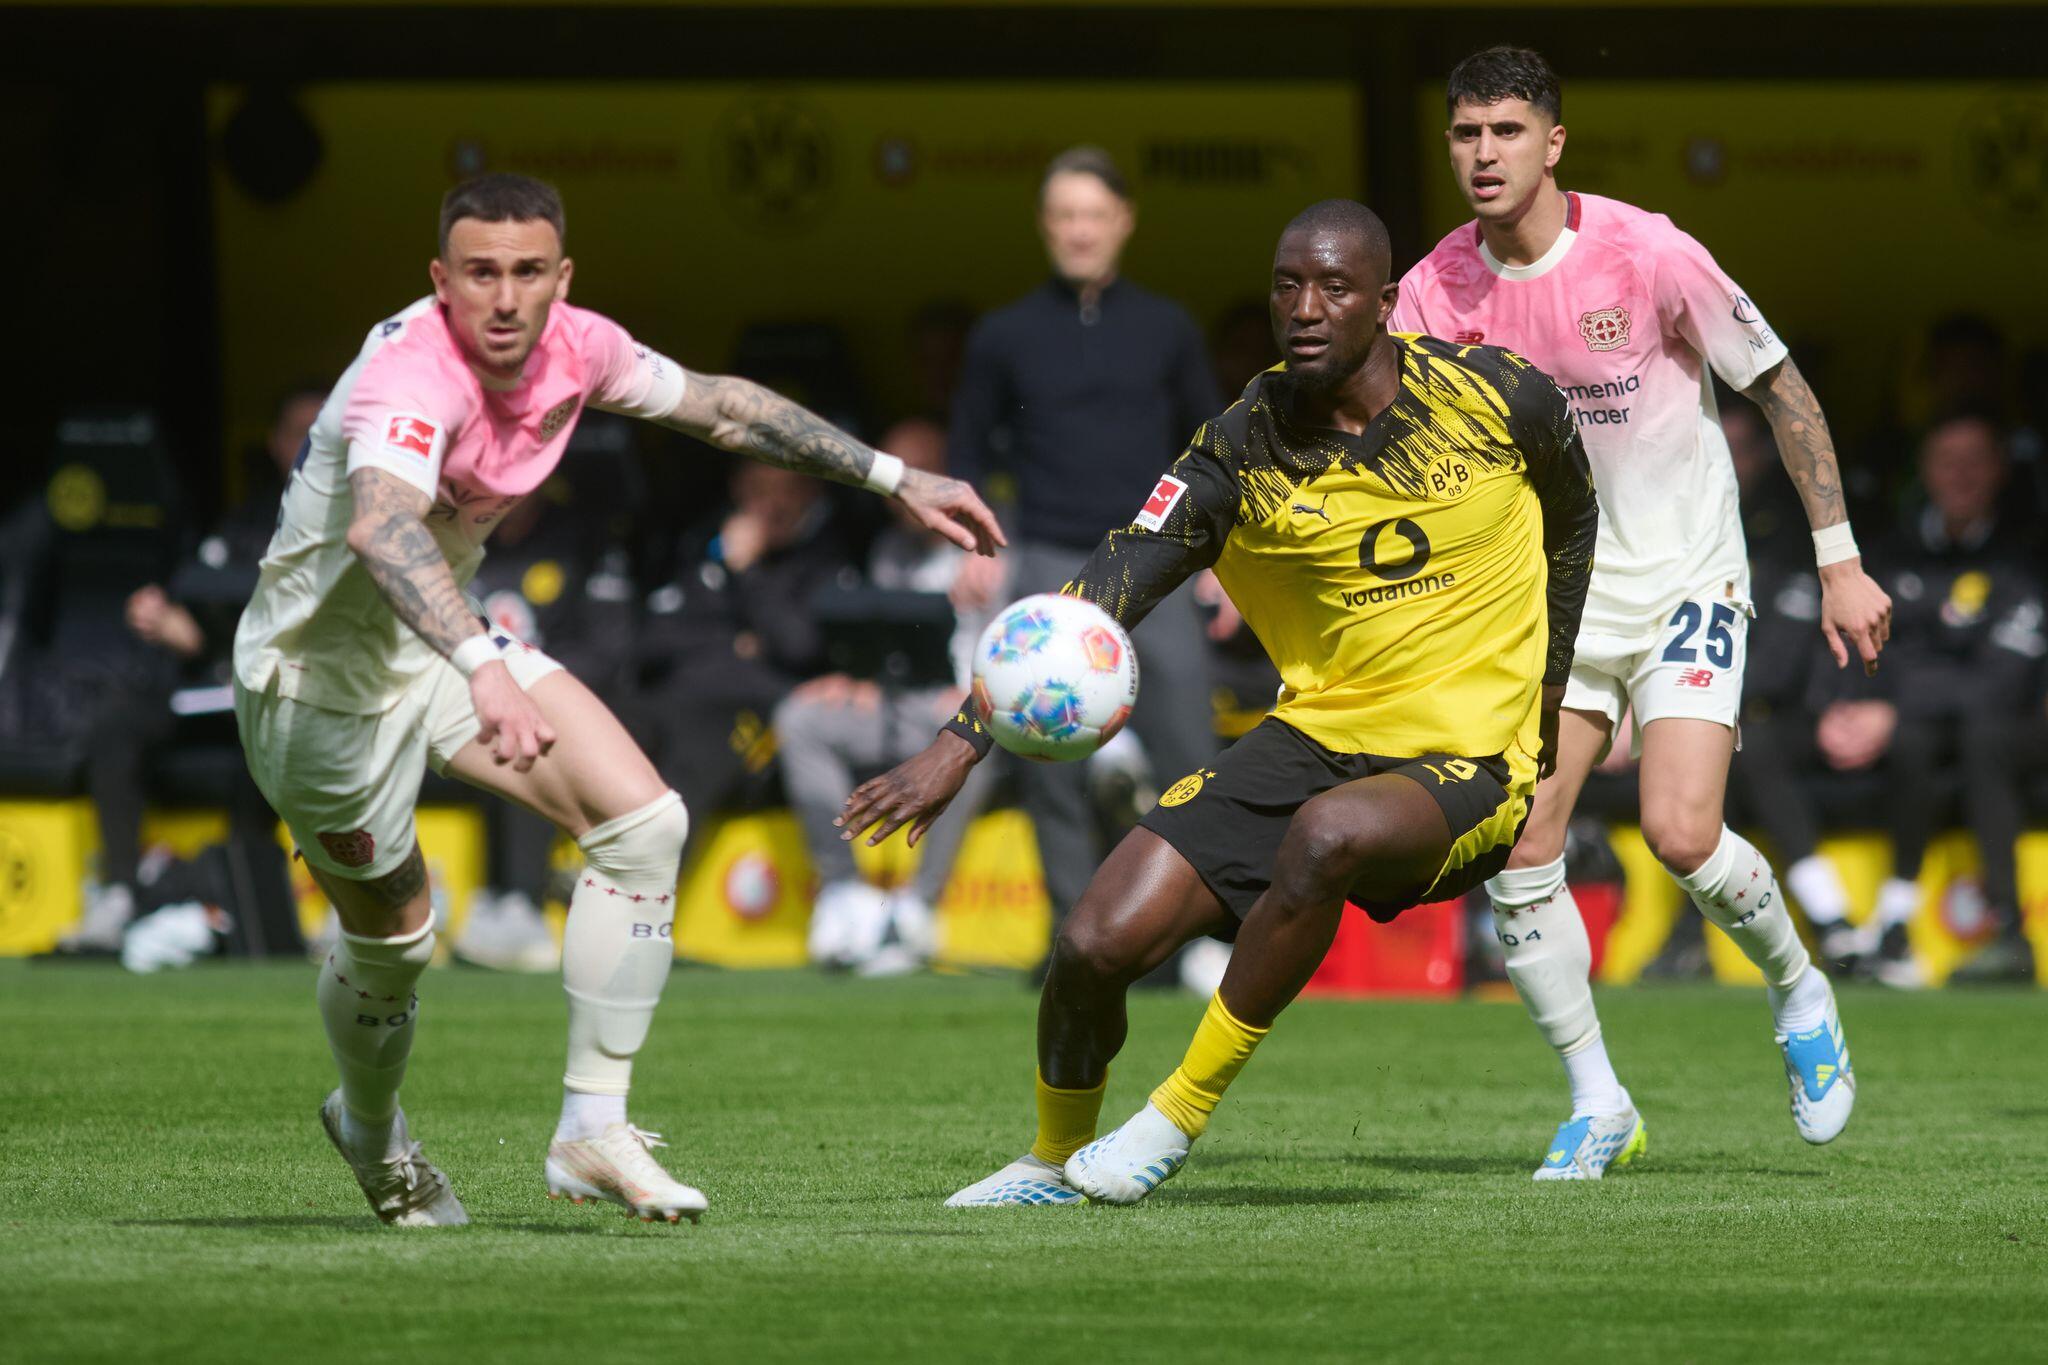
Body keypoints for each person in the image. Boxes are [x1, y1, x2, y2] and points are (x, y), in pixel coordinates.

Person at [232, 173, 1001, 1227]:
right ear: (440, 280)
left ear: (562, 276)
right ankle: (371, 1130)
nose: (505, 298)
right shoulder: (407, 374)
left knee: (644, 825)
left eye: (527, 272)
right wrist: (484, 668)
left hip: (442, 641)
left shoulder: (576, 345)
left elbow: (722, 407)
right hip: (315, 686)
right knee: (395, 942)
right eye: (480, 273)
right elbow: (381, 527)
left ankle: (591, 1128)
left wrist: (894, 478)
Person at [843, 199, 1598, 1207]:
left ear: (1385, 302)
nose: (1305, 307)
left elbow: (1572, 519)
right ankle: (1050, 1161)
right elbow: (1111, 581)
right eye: (1287, 285)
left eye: (1333, 287)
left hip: (1469, 760)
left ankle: (1172, 1118)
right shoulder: (1241, 447)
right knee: (1089, 944)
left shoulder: (1495, 395)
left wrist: (1547, 693)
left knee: (1326, 836)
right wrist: (962, 737)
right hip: (1317, 737)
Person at [1388, 46, 1893, 1178]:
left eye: (1507, 131)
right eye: (1466, 133)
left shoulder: (1647, 251)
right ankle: (1598, 1100)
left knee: (1679, 832)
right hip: (1547, 600)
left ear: (1553, 142)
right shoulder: (1432, 290)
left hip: (1683, 576)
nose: (1484, 153)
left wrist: (1840, 560)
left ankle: (1798, 988)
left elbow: (1779, 387)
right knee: (1520, 842)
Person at [947, 146, 1222, 937]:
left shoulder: (1168, 327)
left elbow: (1213, 447)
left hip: (1159, 560)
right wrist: (973, 545)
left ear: (1123, 221)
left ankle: (1200, 936)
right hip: (1049, 563)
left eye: (1094, 215)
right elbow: (969, 450)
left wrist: (1223, 559)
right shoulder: (1003, 334)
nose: (1080, 230)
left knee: (1189, 755)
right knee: (1048, 763)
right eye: (1065, 215)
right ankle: (1073, 936)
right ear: (1045, 225)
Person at [59, 384, 324, 953]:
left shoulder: (355, 516)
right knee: (118, 722)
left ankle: (252, 903)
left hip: (304, 696)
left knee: (274, 731)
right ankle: (121, 892)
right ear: (275, 443)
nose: (309, 443)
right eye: (297, 432)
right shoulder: (244, 521)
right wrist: (170, 619)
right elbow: (200, 597)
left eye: (320, 429)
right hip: (218, 688)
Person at [1817, 416, 2043, 985]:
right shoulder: (1894, 554)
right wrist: (1850, 709)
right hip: (1923, 732)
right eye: (1947, 461)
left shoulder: (2025, 555)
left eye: (1974, 461)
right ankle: (1888, 925)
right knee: (1909, 738)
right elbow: (1881, 655)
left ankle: (2010, 934)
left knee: (1984, 733)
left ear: (1999, 469)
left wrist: (1896, 705)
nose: (1960, 474)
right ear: (1925, 470)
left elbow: (2003, 681)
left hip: (2014, 725)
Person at [776, 418, 1000, 974]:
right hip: (903, 702)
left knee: (985, 733)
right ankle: (842, 893)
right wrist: (857, 677)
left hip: (977, 708)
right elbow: (889, 642)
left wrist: (978, 691)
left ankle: (917, 907)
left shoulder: (998, 540)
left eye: (920, 469)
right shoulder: (889, 549)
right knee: (801, 718)